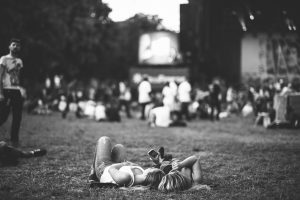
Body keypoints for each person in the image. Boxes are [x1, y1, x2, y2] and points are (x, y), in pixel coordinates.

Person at [88, 136, 165, 189]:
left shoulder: (126, 178)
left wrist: (125, 164)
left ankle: (93, 174)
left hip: (104, 168)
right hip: (118, 165)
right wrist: (157, 162)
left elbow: (111, 169)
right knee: (119, 147)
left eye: (152, 169)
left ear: (150, 175)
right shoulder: (142, 173)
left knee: (104, 139)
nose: (151, 167)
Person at [0, 38, 24, 147]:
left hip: (16, 91)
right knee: (3, 115)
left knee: (17, 116)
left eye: (18, 45)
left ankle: (14, 140)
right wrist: (0, 93)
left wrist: (21, 89)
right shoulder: (4, 59)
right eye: (13, 44)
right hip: (6, 90)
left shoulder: (19, 61)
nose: (16, 47)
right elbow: (0, 76)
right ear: (9, 46)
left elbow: (18, 77)